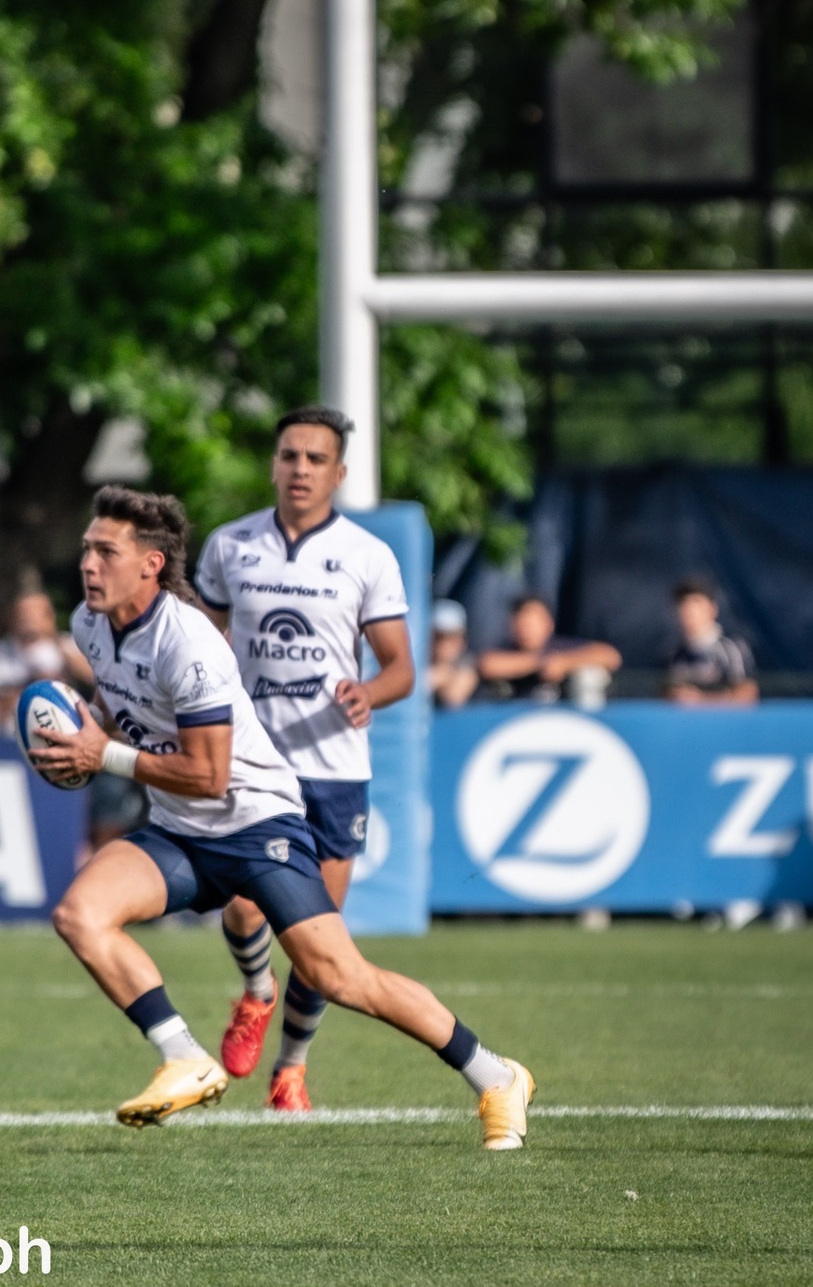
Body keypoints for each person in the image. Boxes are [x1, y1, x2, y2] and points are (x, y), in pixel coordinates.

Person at [31, 486, 534, 1147]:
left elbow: (210, 776)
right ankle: (183, 1055)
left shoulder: (192, 644)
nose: (88, 564)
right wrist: (86, 734)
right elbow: (120, 702)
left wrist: (107, 756)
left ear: (152, 564)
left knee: (339, 976)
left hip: (255, 823)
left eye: (106, 551)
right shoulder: (89, 624)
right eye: (86, 550)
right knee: (80, 914)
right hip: (181, 829)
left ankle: (496, 1074)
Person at [193, 405, 415, 1110]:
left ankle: (292, 1068)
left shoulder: (367, 555)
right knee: (240, 904)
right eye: (290, 455)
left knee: (320, 943)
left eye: (316, 459)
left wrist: (369, 692)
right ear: (273, 463)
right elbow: (197, 641)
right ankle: (256, 991)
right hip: (253, 764)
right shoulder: (231, 546)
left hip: (335, 771)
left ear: (339, 473)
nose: (300, 469)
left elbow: (401, 668)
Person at [0, 588, 93, 733]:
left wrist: (54, 641)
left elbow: (92, 678)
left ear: (50, 617)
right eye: (23, 614)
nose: (28, 620)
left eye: (34, 614)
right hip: (7, 735)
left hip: (64, 731)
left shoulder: (68, 645)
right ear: (11, 618)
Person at [478, 595, 622, 702]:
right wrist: (540, 663)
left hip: (567, 722)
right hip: (516, 724)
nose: (526, 629)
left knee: (590, 675)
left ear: (548, 623)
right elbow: (487, 665)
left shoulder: (562, 647)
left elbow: (610, 656)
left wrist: (564, 664)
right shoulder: (507, 650)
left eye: (532, 622)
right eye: (522, 623)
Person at [665, 578, 757, 705]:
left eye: (696, 603)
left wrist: (700, 700)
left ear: (712, 609)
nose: (690, 611)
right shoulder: (673, 655)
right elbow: (664, 696)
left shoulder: (731, 649)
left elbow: (747, 695)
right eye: (683, 604)